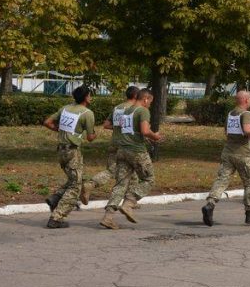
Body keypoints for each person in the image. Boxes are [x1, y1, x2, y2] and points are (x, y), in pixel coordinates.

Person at [198, 90, 250, 227]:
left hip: (227, 153)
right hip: (242, 154)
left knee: (222, 180)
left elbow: (226, 132)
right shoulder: (246, 114)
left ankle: (210, 204)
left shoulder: (231, 114)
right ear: (246, 100)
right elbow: (247, 130)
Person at [103, 88, 163, 225]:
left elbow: (131, 131)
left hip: (122, 151)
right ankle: (129, 203)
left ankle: (108, 216)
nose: (150, 105)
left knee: (120, 184)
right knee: (149, 179)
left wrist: (145, 136)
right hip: (136, 152)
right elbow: (145, 130)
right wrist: (156, 136)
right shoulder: (143, 111)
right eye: (150, 102)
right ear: (145, 99)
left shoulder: (127, 111)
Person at [43, 85, 97, 229]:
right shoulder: (87, 113)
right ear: (86, 97)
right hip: (73, 151)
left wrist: (59, 131)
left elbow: (47, 122)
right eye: (90, 95)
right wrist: (94, 134)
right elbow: (91, 137)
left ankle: (55, 198)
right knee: (76, 186)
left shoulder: (65, 108)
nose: (91, 98)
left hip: (61, 150)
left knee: (74, 179)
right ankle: (57, 217)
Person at [90, 85, 139, 199]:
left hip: (114, 143)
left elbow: (106, 125)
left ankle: (91, 184)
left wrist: (118, 128)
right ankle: (129, 201)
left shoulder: (117, 108)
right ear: (136, 96)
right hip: (128, 144)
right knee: (132, 171)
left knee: (115, 170)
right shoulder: (135, 109)